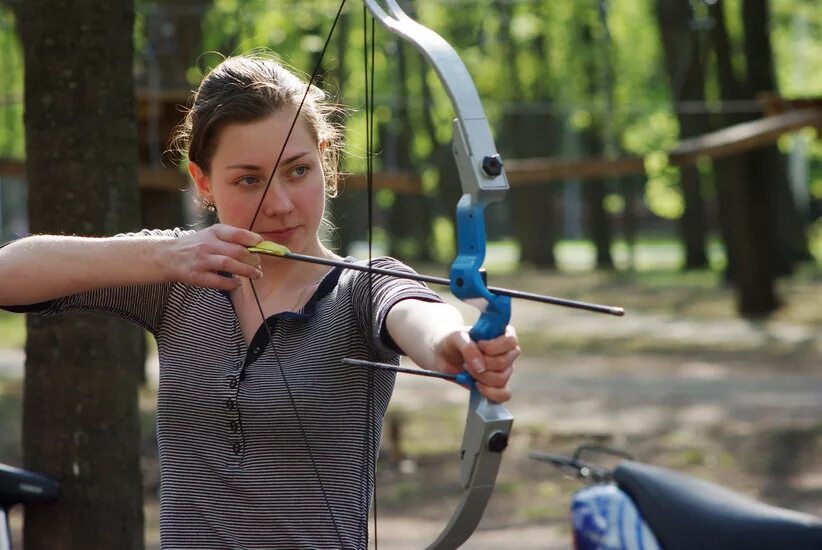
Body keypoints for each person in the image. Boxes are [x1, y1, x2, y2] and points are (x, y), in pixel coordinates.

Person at [0, 53, 519, 549]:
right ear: (202, 182)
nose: (280, 204)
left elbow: (415, 313)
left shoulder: (361, 288)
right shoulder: (180, 274)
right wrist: (162, 256)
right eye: (249, 180)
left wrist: (455, 342)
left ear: (327, 164)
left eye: (298, 170)